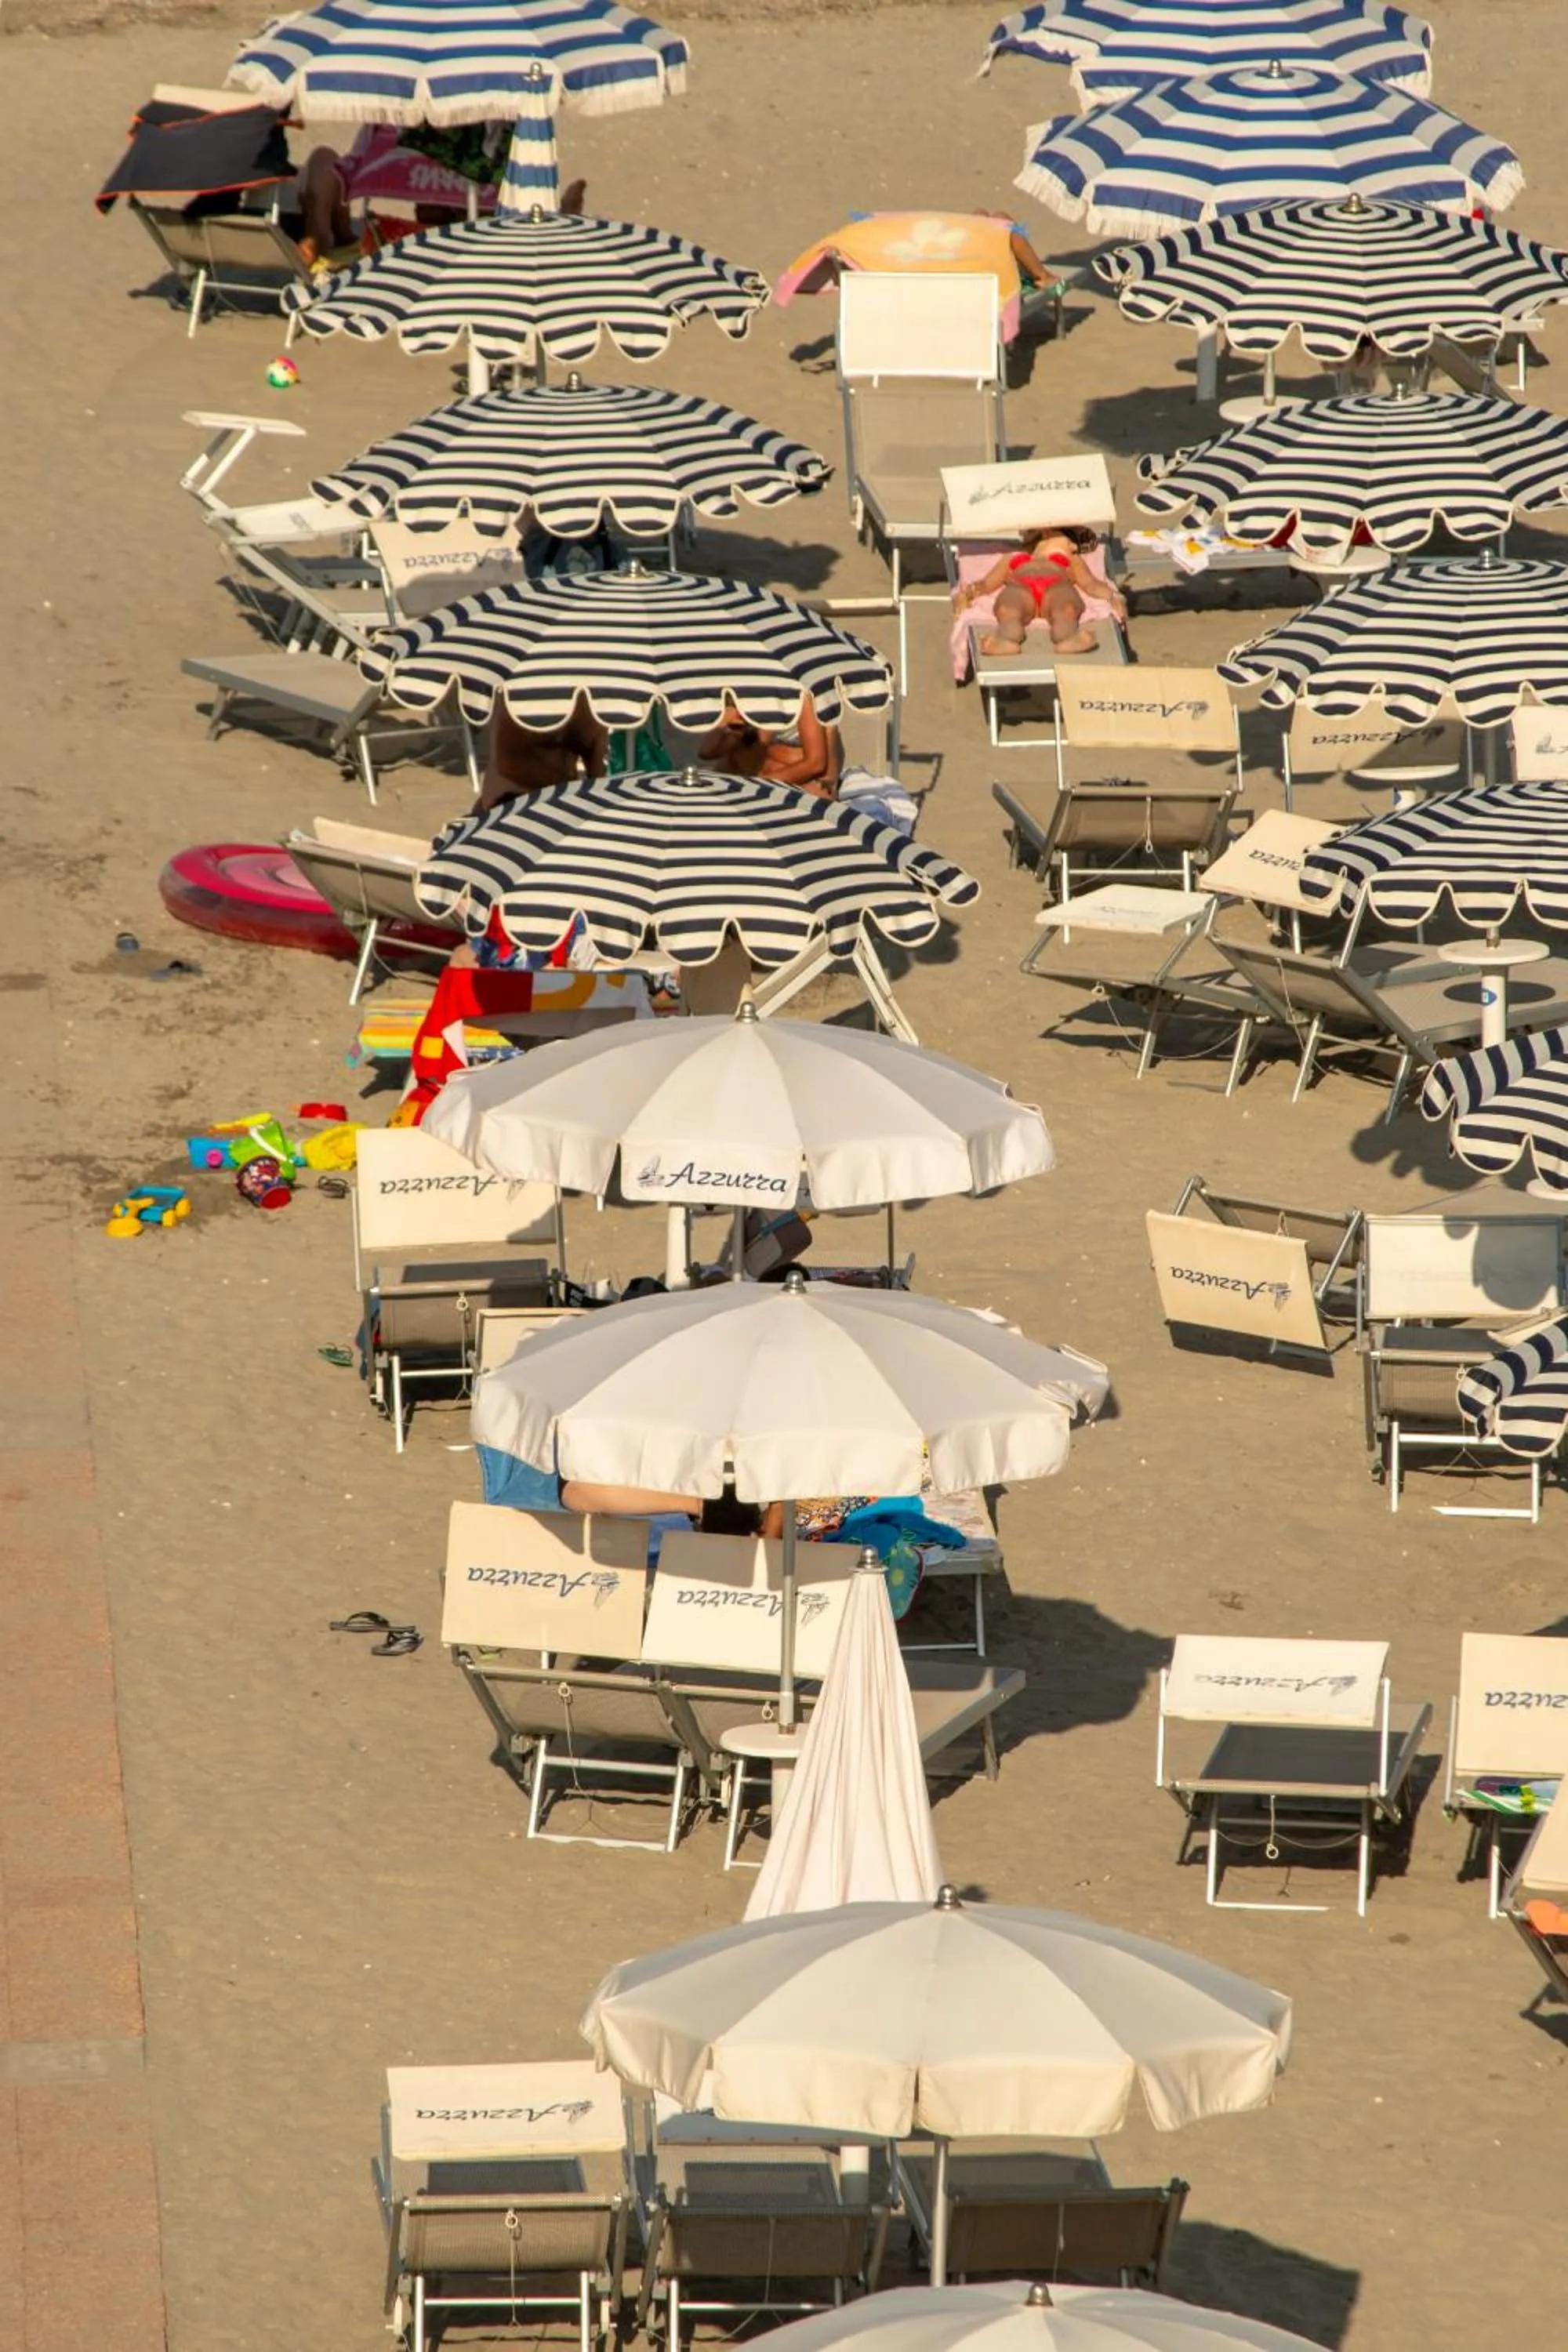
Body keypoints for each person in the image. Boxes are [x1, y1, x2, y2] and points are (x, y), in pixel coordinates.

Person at [954, 524, 1126, 657]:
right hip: (1021, 586)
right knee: (1008, 610)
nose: (1074, 546)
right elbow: (987, 584)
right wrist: (967, 594)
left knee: (1066, 609)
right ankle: (1006, 641)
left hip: (1057, 585)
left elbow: (1090, 584)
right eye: (1070, 537)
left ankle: (1069, 639)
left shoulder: (1071, 559)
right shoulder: (1014, 557)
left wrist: (1114, 596)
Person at [477, 693, 608, 812]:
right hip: (508, 802)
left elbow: (596, 762)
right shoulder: (521, 697)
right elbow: (511, 764)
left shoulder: (588, 696)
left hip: (560, 801)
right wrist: (573, 788)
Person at [698, 695, 841, 796]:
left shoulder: (803, 699)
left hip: (805, 782)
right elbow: (706, 752)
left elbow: (815, 764)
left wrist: (757, 785)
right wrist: (728, 717)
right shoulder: (749, 697)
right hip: (753, 779)